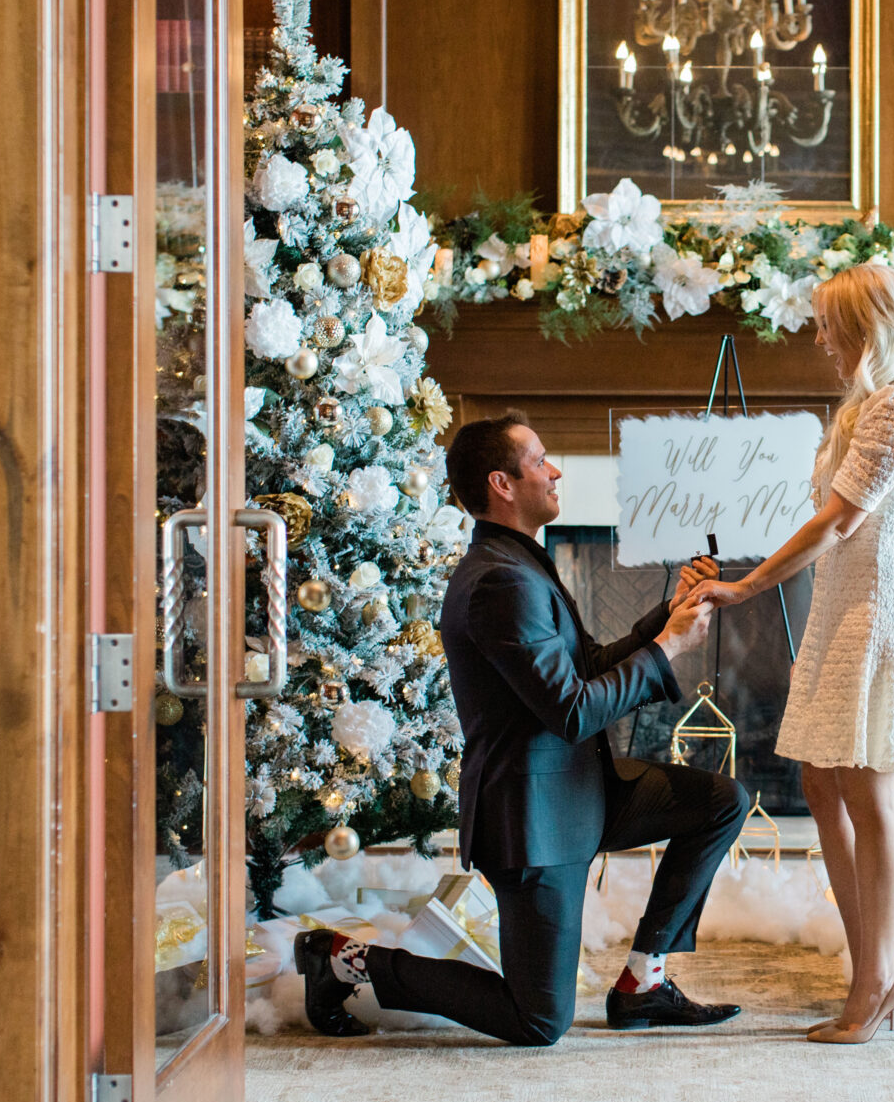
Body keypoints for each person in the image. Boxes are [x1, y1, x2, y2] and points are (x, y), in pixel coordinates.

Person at [293, 411, 750, 1045]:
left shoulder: (519, 564)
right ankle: (343, 960)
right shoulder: (499, 582)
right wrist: (668, 650)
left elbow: (585, 666)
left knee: (721, 800)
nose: (555, 469)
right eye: (540, 459)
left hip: (582, 792)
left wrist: (665, 616)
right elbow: (570, 711)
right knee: (537, 1020)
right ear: (502, 484)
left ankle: (644, 980)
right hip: (533, 819)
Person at [692, 263, 894, 1044]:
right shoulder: (875, 405)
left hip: (872, 620)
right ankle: (871, 968)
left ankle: (877, 978)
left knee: (869, 797)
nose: (820, 340)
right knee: (820, 780)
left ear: (869, 327)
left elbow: (839, 523)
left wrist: (744, 587)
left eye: (830, 326)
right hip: (841, 615)